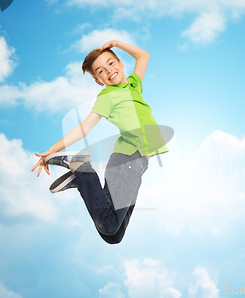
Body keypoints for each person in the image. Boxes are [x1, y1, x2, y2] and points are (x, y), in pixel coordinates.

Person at [31, 40, 169, 244]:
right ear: (98, 80)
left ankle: (83, 180)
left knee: (113, 236)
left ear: (121, 63)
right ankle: (81, 168)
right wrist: (53, 149)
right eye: (101, 71)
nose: (109, 71)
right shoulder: (108, 96)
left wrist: (116, 43)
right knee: (109, 225)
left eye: (111, 63)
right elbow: (84, 128)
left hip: (138, 166)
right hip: (126, 161)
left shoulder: (133, 85)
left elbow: (143, 56)